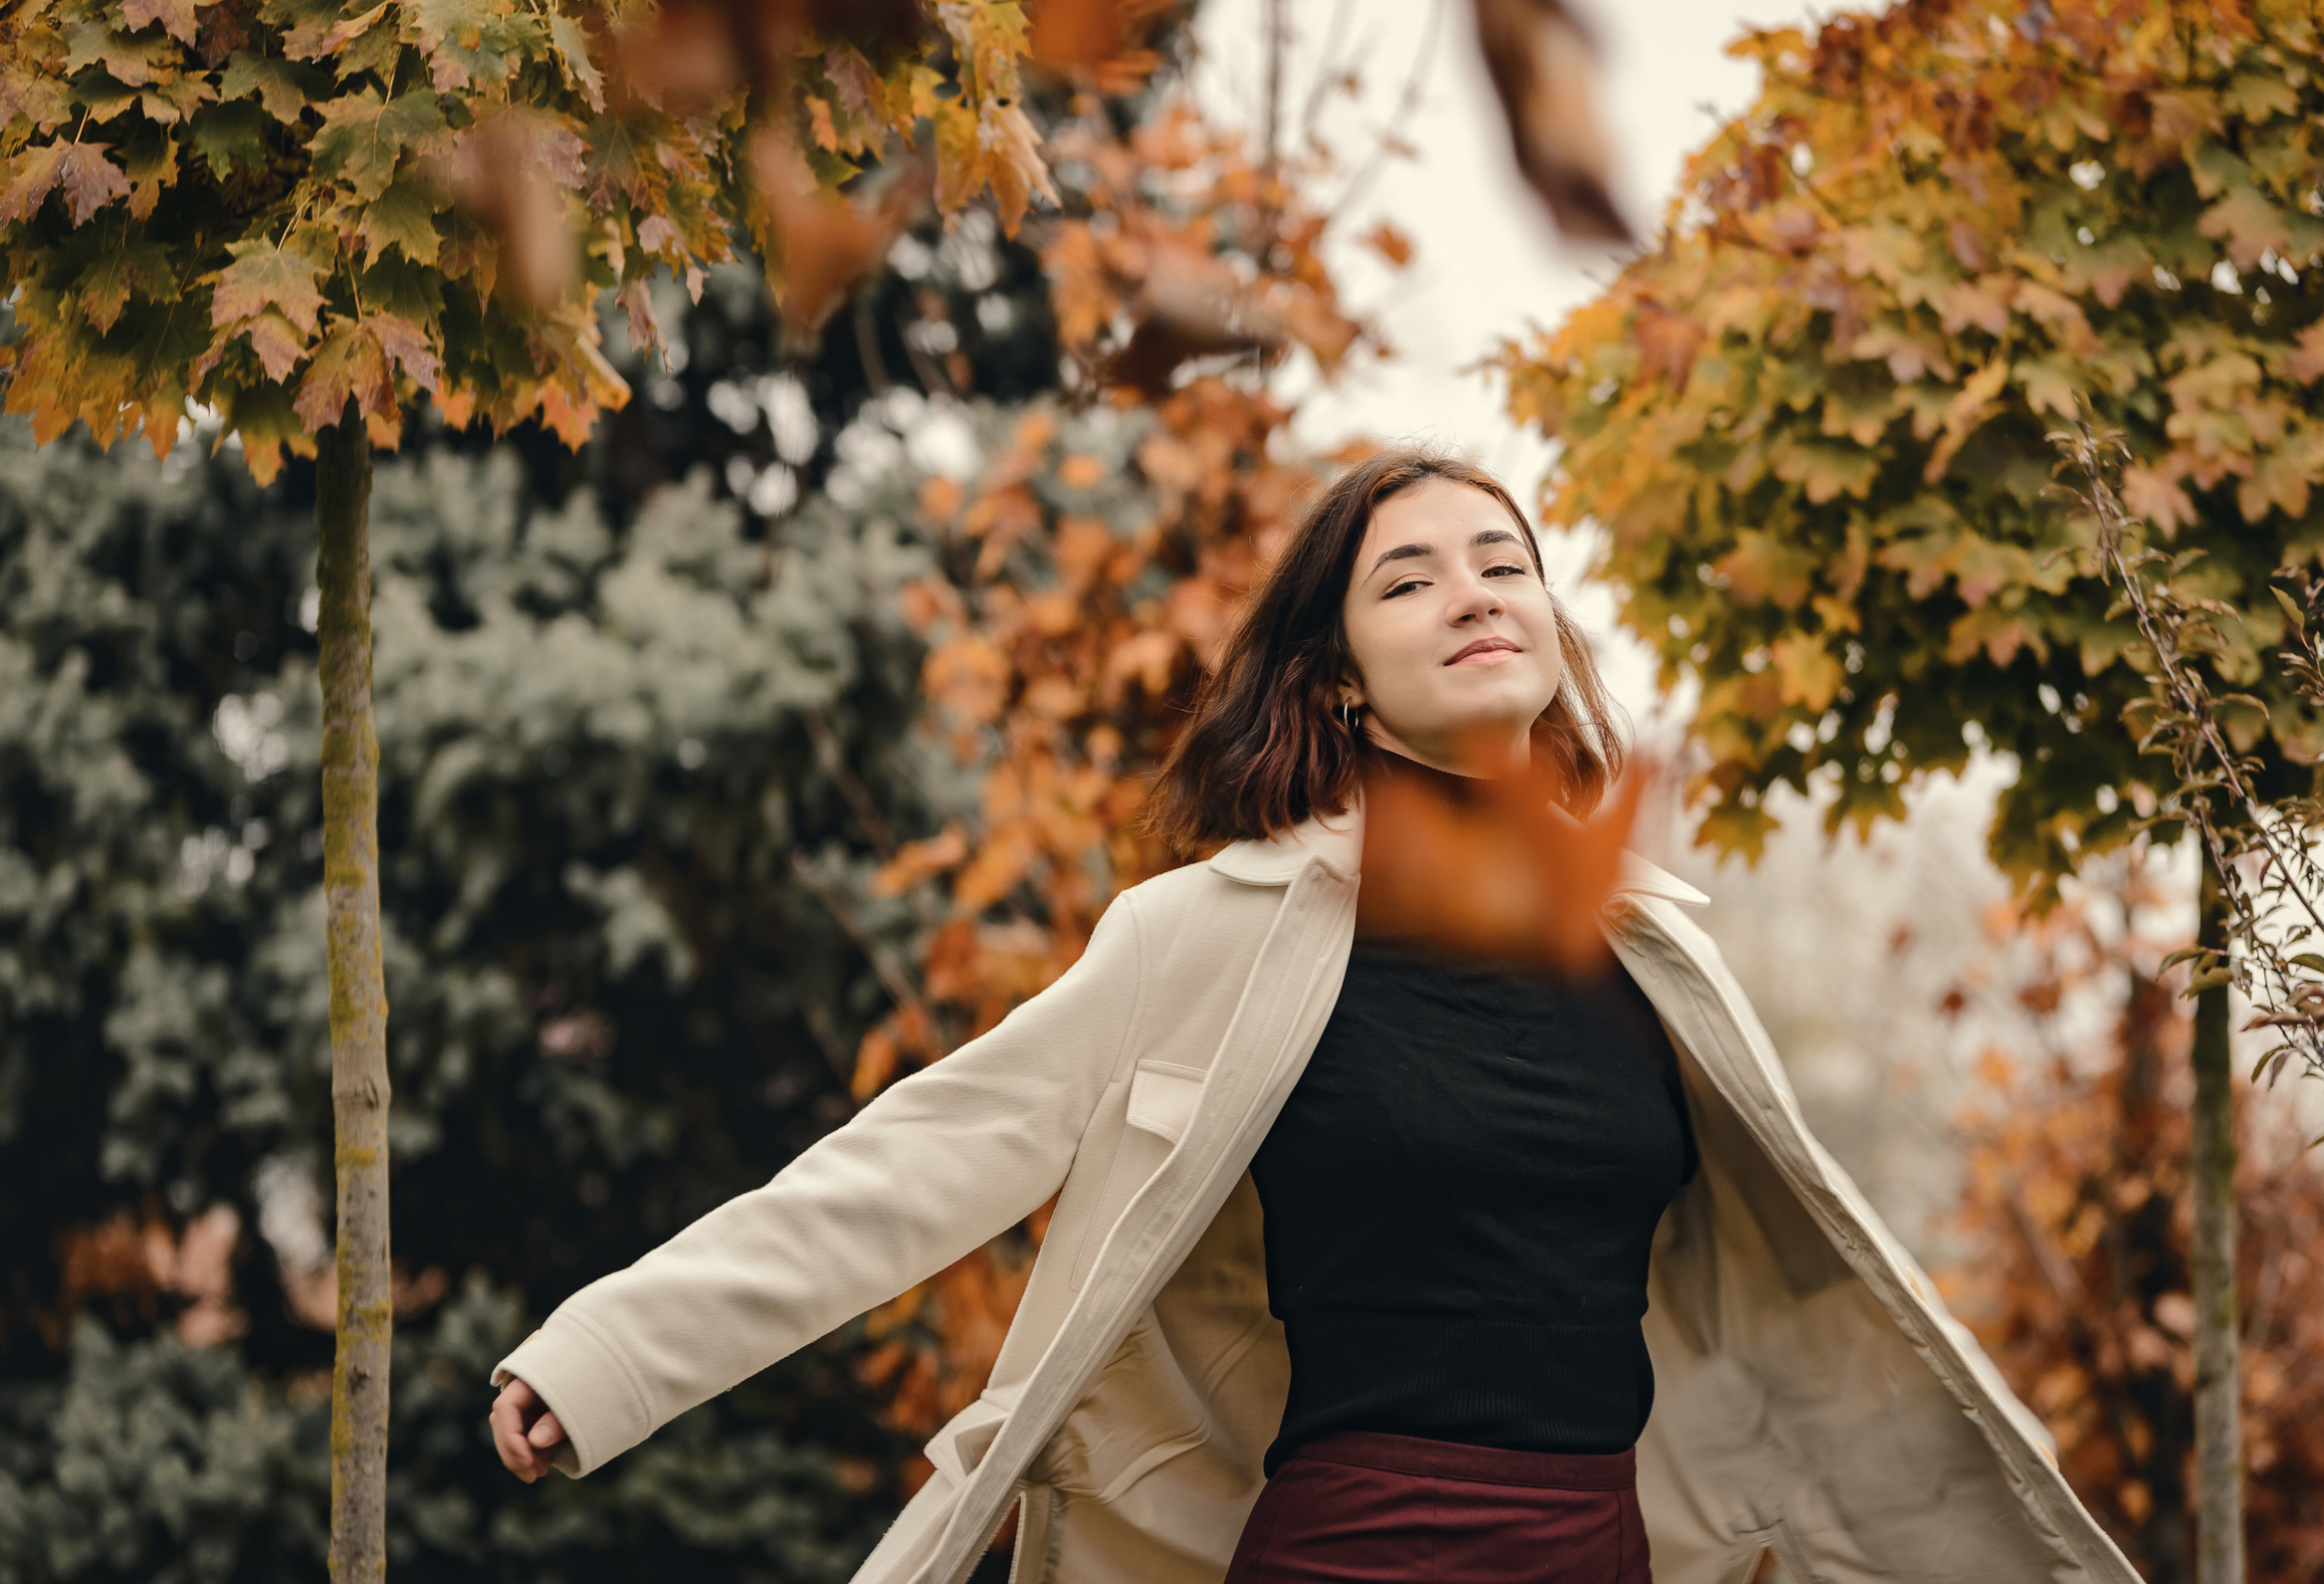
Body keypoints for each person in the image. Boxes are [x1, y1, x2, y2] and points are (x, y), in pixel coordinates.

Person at [489, 450, 2135, 1584]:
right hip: (1357, 1545)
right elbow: (929, 1151)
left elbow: (1807, 1301)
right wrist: (613, 1355)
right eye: (1408, 578)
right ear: (1341, 673)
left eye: (1506, 564)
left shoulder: (1656, 951)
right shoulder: (1220, 929)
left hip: (1603, 1550)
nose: (1474, 592)